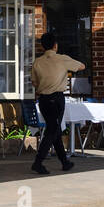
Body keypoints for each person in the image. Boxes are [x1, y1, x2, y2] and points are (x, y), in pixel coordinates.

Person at [29, 32, 84, 174]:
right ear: (55, 45)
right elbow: (82, 66)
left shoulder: (37, 62)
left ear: (42, 46)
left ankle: (65, 162)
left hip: (43, 100)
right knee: (52, 130)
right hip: (57, 99)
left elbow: (34, 83)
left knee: (55, 129)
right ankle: (38, 161)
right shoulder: (62, 59)